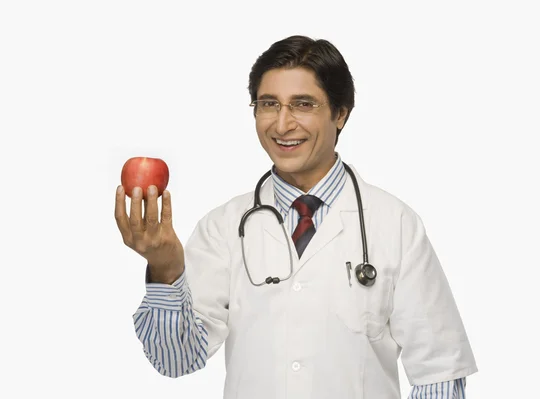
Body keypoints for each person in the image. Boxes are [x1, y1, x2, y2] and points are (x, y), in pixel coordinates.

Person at [114, 35, 478, 399]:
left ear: (340, 113)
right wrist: (165, 270)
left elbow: (439, 374)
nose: (282, 124)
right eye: (269, 104)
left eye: (303, 104)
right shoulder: (223, 228)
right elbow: (175, 360)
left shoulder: (395, 225)